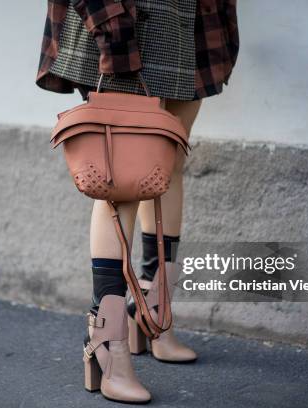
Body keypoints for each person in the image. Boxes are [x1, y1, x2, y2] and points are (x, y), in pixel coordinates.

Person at [36, 0, 239, 403]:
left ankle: (152, 312)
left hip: (189, 21)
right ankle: (107, 340)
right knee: (122, 178)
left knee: (165, 164)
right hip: (125, 19)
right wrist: (110, 20)